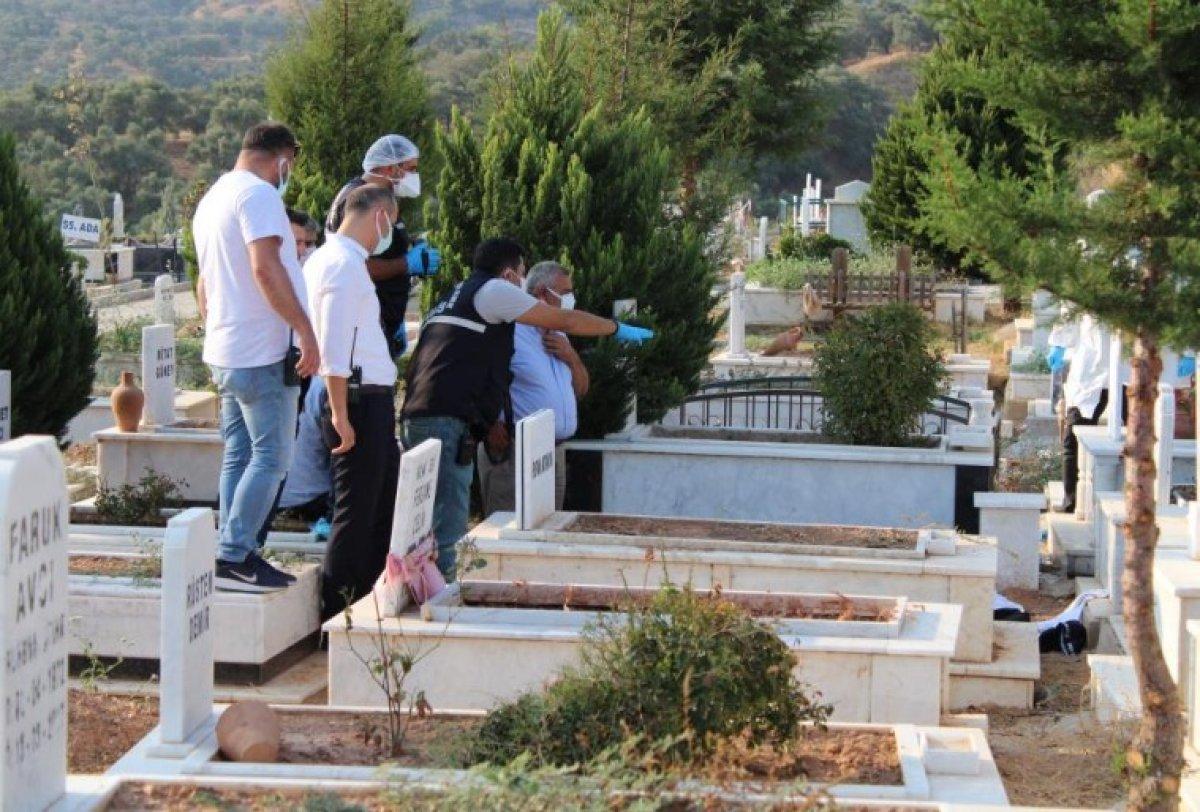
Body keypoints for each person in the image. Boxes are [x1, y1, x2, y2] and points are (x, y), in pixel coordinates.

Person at [401, 237, 654, 580]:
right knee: (448, 518)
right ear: (509, 274)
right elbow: (564, 319)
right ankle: (443, 599)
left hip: (436, 414)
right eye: (521, 274)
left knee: (438, 515)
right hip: (445, 418)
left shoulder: (457, 296)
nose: (522, 281)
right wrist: (615, 328)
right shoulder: (494, 291)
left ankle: (434, 586)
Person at [193, 122, 317, 592]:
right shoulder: (259, 196)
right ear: (282, 157)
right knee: (272, 457)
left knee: (240, 454)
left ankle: (232, 549)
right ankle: (233, 556)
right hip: (261, 351)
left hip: (226, 348)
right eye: (291, 165)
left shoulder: (213, 197)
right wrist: (305, 329)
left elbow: (206, 280)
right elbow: (265, 268)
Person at [306, 184, 403, 618]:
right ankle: (338, 613)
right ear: (378, 214)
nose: (392, 232)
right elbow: (334, 346)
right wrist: (341, 413)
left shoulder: (344, 262)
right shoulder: (341, 264)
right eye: (393, 222)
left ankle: (362, 606)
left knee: (377, 513)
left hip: (368, 400)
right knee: (356, 516)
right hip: (358, 403)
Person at [477, 261, 589, 515]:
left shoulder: (561, 336)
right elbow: (478, 377)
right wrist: (489, 424)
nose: (570, 300)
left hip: (554, 453)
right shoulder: (509, 330)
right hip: (514, 453)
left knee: (547, 536)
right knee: (509, 534)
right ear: (542, 293)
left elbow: (581, 389)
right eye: (565, 293)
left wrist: (571, 357)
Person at [326, 134, 441, 357]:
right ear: (391, 169)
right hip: (367, 322)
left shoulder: (376, 196)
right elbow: (356, 265)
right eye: (412, 169)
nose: (415, 175)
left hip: (384, 319)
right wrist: (407, 263)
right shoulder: (361, 201)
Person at [1057, 312, 1110, 513]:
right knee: (1072, 441)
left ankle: (1078, 501)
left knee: (1074, 442)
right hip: (1088, 376)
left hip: (1114, 375)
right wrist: (1060, 344)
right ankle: (1072, 500)